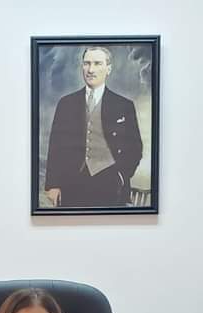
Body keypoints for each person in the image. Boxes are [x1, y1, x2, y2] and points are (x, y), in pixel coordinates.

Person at [44, 46, 144, 208]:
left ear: (108, 69)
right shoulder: (66, 103)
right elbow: (55, 146)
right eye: (87, 63)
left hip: (111, 186)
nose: (91, 69)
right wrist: (52, 185)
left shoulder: (124, 105)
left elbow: (135, 148)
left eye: (97, 63)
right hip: (71, 185)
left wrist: (120, 176)